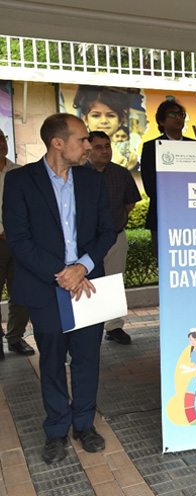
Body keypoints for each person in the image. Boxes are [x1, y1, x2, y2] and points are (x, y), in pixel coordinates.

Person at [4, 113, 116, 463]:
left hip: (87, 286)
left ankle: (84, 424)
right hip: (45, 286)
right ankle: (56, 429)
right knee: (51, 360)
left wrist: (82, 266)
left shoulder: (91, 181)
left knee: (87, 358)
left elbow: (106, 231)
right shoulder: (20, 181)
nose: (89, 146)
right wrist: (62, 273)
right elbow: (19, 240)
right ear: (58, 143)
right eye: (82, 140)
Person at [86, 131, 141, 345]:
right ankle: (88, 330)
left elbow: (130, 203)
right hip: (87, 242)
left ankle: (114, 327)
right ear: (88, 149)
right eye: (98, 147)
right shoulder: (76, 173)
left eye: (107, 146)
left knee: (113, 283)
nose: (104, 150)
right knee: (88, 284)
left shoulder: (121, 173)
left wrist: (115, 222)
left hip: (116, 237)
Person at [139, 99, 196, 258]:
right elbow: (150, 186)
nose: (178, 118)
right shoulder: (151, 147)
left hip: (192, 217)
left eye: (181, 114)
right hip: (162, 216)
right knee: (165, 262)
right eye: (172, 114)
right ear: (161, 121)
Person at [0, 129, 31, 358]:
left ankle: (15, 338)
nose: (1, 143)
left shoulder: (19, 172)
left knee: (20, 292)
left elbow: (28, 208)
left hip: (19, 242)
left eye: (3, 138)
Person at [72, 85, 137, 169]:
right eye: (96, 115)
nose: (104, 121)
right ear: (85, 118)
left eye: (110, 115)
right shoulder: (76, 153)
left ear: (120, 120)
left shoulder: (129, 154)